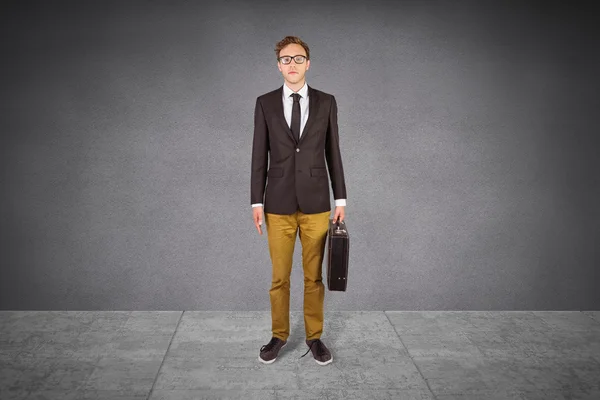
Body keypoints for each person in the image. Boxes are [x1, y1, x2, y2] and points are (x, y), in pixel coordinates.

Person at [250, 36, 347, 366]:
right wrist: (256, 202)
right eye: (286, 59)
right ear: (279, 66)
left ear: (308, 63)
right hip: (276, 204)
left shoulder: (326, 102)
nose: (292, 64)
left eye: (298, 58)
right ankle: (279, 336)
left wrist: (341, 199)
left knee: (314, 277)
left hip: (317, 204)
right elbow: (257, 156)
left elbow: (333, 152)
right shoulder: (265, 103)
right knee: (279, 277)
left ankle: (314, 337)